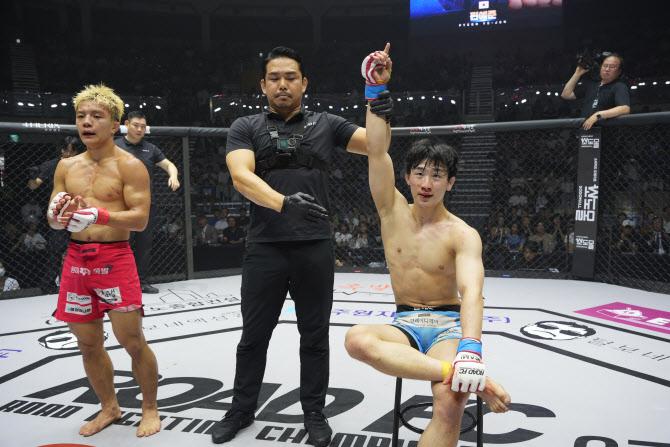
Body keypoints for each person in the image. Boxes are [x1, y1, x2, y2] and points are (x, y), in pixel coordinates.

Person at [344, 45, 510, 447]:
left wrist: (470, 349)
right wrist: (374, 90)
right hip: (403, 325)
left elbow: (472, 293)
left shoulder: (462, 234)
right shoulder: (391, 211)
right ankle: (463, 376)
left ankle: (460, 372)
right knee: (356, 339)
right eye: (419, 173)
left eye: (437, 175)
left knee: (450, 404)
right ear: (406, 177)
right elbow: (377, 150)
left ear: (450, 183)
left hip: (447, 326)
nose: (426, 183)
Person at [212, 45, 370, 446]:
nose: (283, 84)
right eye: (275, 78)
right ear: (263, 85)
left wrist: (376, 96)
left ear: (304, 83)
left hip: (313, 245)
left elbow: (376, 144)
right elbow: (240, 177)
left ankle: (314, 411)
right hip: (265, 245)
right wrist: (284, 203)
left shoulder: (327, 123)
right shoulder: (245, 126)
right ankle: (241, 409)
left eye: (291, 77)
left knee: (314, 335)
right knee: (253, 336)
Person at [47, 84, 160, 438]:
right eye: (81, 115)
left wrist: (99, 214)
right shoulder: (66, 166)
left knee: (132, 340)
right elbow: (53, 216)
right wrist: (59, 217)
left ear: (115, 125)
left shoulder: (131, 166)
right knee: (88, 343)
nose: (87, 122)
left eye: (97, 116)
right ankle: (109, 407)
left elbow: (140, 219)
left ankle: (150, 407)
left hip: (115, 259)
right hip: (76, 260)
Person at [115, 110, 180, 294]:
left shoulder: (151, 149)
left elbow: (169, 164)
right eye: (136, 125)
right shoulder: (114, 146)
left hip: (146, 204)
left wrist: (173, 176)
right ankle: (121, 282)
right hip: (121, 204)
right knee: (122, 244)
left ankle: (142, 281)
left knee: (145, 244)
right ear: (127, 124)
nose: (139, 129)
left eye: (143, 127)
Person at [561, 53, 630, 130]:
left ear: (619, 71)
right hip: (585, 132)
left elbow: (625, 109)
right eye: (605, 66)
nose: (607, 69)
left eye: (612, 67)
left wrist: (598, 115)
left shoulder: (619, 86)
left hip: (606, 133)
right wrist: (577, 73)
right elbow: (566, 94)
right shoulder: (591, 84)